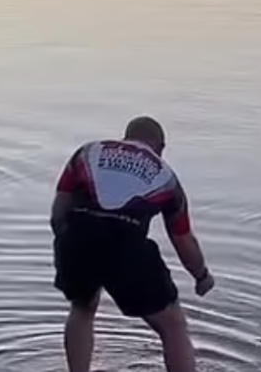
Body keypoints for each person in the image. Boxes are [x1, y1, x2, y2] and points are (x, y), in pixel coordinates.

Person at [50, 116, 215, 372]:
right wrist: (201, 275)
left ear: (125, 137)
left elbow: (59, 211)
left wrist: (68, 244)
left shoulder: (87, 153)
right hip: (127, 245)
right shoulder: (165, 176)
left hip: (78, 236)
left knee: (82, 306)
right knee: (173, 325)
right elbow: (182, 238)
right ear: (161, 146)